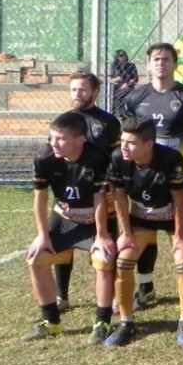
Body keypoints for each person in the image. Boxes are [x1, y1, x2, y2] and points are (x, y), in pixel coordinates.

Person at [120, 42, 183, 309]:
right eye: (156, 59)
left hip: (181, 177)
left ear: (175, 64)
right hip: (144, 176)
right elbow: (128, 135)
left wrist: (176, 155)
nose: (161, 63)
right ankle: (146, 288)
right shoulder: (135, 98)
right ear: (148, 64)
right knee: (146, 231)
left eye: (166, 59)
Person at [23, 112, 115, 344]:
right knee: (36, 259)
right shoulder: (44, 158)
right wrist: (42, 235)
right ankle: (51, 321)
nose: (54, 143)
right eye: (52, 137)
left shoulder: (97, 159)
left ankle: (102, 322)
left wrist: (102, 235)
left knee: (104, 260)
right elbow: (40, 199)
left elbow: (99, 200)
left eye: (61, 138)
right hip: (64, 218)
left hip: (95, 220)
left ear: (80, 139)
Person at [104, 118, 183, 347]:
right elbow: (119, 197)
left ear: (149, 144)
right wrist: (126, 233)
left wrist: (180, 235)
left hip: (173, 217)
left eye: (131, 143)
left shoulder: (171, 158)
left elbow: (179, 199)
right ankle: (126, 322)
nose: (124, 147)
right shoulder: (117, 158)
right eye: (122, 141)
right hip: (142, 219)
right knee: (123, 261)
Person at [52, 70, 122, 312]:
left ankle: (113, 296)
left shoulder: (109, 122)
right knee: (63, 245)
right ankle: (62, 297)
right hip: (70, 194)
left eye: (82, 89)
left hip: (101, 194)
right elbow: (54, 156)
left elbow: (116, 157)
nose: (77, 94)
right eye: (73, 89)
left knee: (108, 245)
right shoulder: (63, 120)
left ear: (95, 92)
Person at [108, 49, 138, 114]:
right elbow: (110, 79)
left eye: (124, 55)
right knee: (118, 110)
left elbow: (135, 79)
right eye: (120, 56)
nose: (122, 57)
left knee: (129, 108)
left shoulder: (131, 65)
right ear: (117, 57)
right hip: (118, 91)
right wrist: (116, 79)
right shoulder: (114, 66)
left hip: (129, 89)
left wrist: (127, 84)